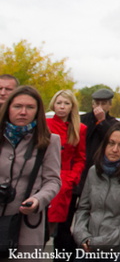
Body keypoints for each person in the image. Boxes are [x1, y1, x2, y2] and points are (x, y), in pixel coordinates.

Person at [73, 123, 120, 256]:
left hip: (118, 251)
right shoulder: (94, 171)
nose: (115, 149)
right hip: (87, 247)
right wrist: (82, 236)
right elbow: (83, 208)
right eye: (111, 143)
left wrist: (103, 242)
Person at [0, 86, 61, 253]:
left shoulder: (50, 141)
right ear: (8, 108)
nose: (23, 112)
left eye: (30, 107)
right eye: (17, 106)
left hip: (26, 222)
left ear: (37, 111)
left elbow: (53, 180)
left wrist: (38, 200)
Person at [46, 89, 86, 251]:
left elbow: (80, 158)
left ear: (72, 107)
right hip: (43, 179)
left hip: (65, 184)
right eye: (59, 103)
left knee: (62, 229)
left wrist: (71, 179)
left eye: (66, 103)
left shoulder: (80, 128)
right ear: (53, 105)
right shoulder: (45, 124)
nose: (62, 107)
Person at [79, 87, 118, 192]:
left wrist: (101, 121)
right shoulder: (82, 120)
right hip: (81, 168)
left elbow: (110, 138)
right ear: (92, 104)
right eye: (97, 103)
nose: (99, 107)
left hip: (101, 169)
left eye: (104, 103)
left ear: (110, 105)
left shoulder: (114, 123)